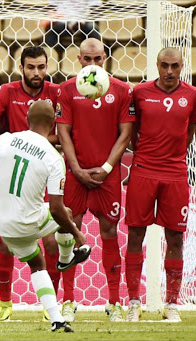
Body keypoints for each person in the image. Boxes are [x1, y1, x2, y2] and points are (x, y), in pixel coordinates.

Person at [0, 101, 90, 333]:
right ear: (53, 126)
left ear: (27, 120)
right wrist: (76, 232)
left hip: (3, 224)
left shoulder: (7, 139)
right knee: (68, 214)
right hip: (29, 221)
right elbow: (57, 210)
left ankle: (56, 318)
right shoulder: (53, 157)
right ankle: (65, 257)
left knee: (37, 263)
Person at [0, 46, 61, 322]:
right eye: (31, 67)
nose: (36, 73)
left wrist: (35, 146)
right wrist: (5, 149)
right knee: (5, 243)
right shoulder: (6, 92)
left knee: (51, 242)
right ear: (21, 68)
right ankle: (5, 303)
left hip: (45, 170)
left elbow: (66, 134)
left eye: (41, 67)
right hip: (16, 174)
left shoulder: (56, 93)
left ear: (47, 67)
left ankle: (52, 306)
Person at [56, 38, 134, 322]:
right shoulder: (66, 90)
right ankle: (68, 301)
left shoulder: (122, 90)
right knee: (68, 235)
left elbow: (125, 134)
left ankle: (114, 302)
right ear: (78, 60)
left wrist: (106, 167)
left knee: (109, 233)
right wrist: (76, 169)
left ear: (106, 59)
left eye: (97, 60)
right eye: (86, 60)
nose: (92, 65)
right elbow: (63, 132)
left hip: (107, 176)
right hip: (75, 175)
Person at [125, 47, 196, 323]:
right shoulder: (140, 93)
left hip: (176, 174)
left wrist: (172, 156)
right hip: (143, 172)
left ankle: (172, 304)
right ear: (157, 66)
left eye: (175, 66)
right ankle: (134, 301)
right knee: (135, 235)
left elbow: (189, 132)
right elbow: (132, 132)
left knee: (176, 238)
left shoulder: (193, 95)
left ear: (182, 66)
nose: (170, 71)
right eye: (165, 65)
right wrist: (147, 154)